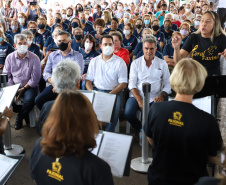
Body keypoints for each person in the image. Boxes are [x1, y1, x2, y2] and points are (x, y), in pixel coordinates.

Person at [143, 58, 223, 185]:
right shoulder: (207, 120)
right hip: (192, 180)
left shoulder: (156, 109)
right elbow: (215, 158)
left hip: (158, 179)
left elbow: (150, 139)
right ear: (200, 81)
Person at [30, 91, 114, 185]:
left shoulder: (38, 146)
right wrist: (98, 165)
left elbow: (35, 176)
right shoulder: (97, 168)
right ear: (88, 121)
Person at [124, 35, 171, 135]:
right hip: (136, 96)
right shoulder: (135, 63)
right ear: (142, 49)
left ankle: (150, 132)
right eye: (146, 48)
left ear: (156, 49)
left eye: (151, 49)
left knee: (158, 115)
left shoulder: (162, 63)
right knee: (128, 113)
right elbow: (131, 84)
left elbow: (168, 82)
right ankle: (141, 129)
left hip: (155, 97)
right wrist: (139, 100)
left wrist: (162, 95)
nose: (149, 51)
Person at [85, 35, 127, 132]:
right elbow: (88, 81)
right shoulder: (94, 61)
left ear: (113, 46)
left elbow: (123, 84)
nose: (107, 46)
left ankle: (107, 134)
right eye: (105, 44)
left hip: (114, 93)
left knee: (114, 116)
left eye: (110, 44)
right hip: (97, 91)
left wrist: (110, 95)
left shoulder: (120, 62)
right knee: (89, 115)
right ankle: (95, 135)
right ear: (100, 46)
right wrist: (92, 93)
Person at [35, 31, 84, 110]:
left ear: (70, 42)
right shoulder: (52, 55)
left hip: (71, 87)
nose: (61, 43)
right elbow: (46, 73)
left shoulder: (78, 56)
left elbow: (78, 74)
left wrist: (63, 87)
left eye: (64, 41)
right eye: (59, 41)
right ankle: (52, 118)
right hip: (54, 85)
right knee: (39, 100)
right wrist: (56, 85)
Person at [3, 34, 41, 130]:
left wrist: (23, 89)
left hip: (29, 86)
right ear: (15, 45)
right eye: (19, 43)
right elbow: (7, 76)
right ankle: (25, 114)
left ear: (28, 45)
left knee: (30, 100)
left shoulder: (35, 58)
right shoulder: (9, 57)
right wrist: (14, 89)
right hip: (13, 86)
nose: (22, 45)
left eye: (25, 43)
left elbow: (35, 78)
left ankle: (19, 118)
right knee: (8, 101)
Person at [173, 11, 226, 76]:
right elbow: (178, 60)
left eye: (208, 21)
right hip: (195, 77)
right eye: (202, 21)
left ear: (215, 24)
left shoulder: (221, 38)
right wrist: (176, 48)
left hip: (213, 77)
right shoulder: (193, 37)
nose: (203, 24)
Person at [36, 59, 81, 135]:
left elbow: (40, 131)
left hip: (50, 144)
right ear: (77, 84)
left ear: (56, 85)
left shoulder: (47, 106)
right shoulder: (85, 107)